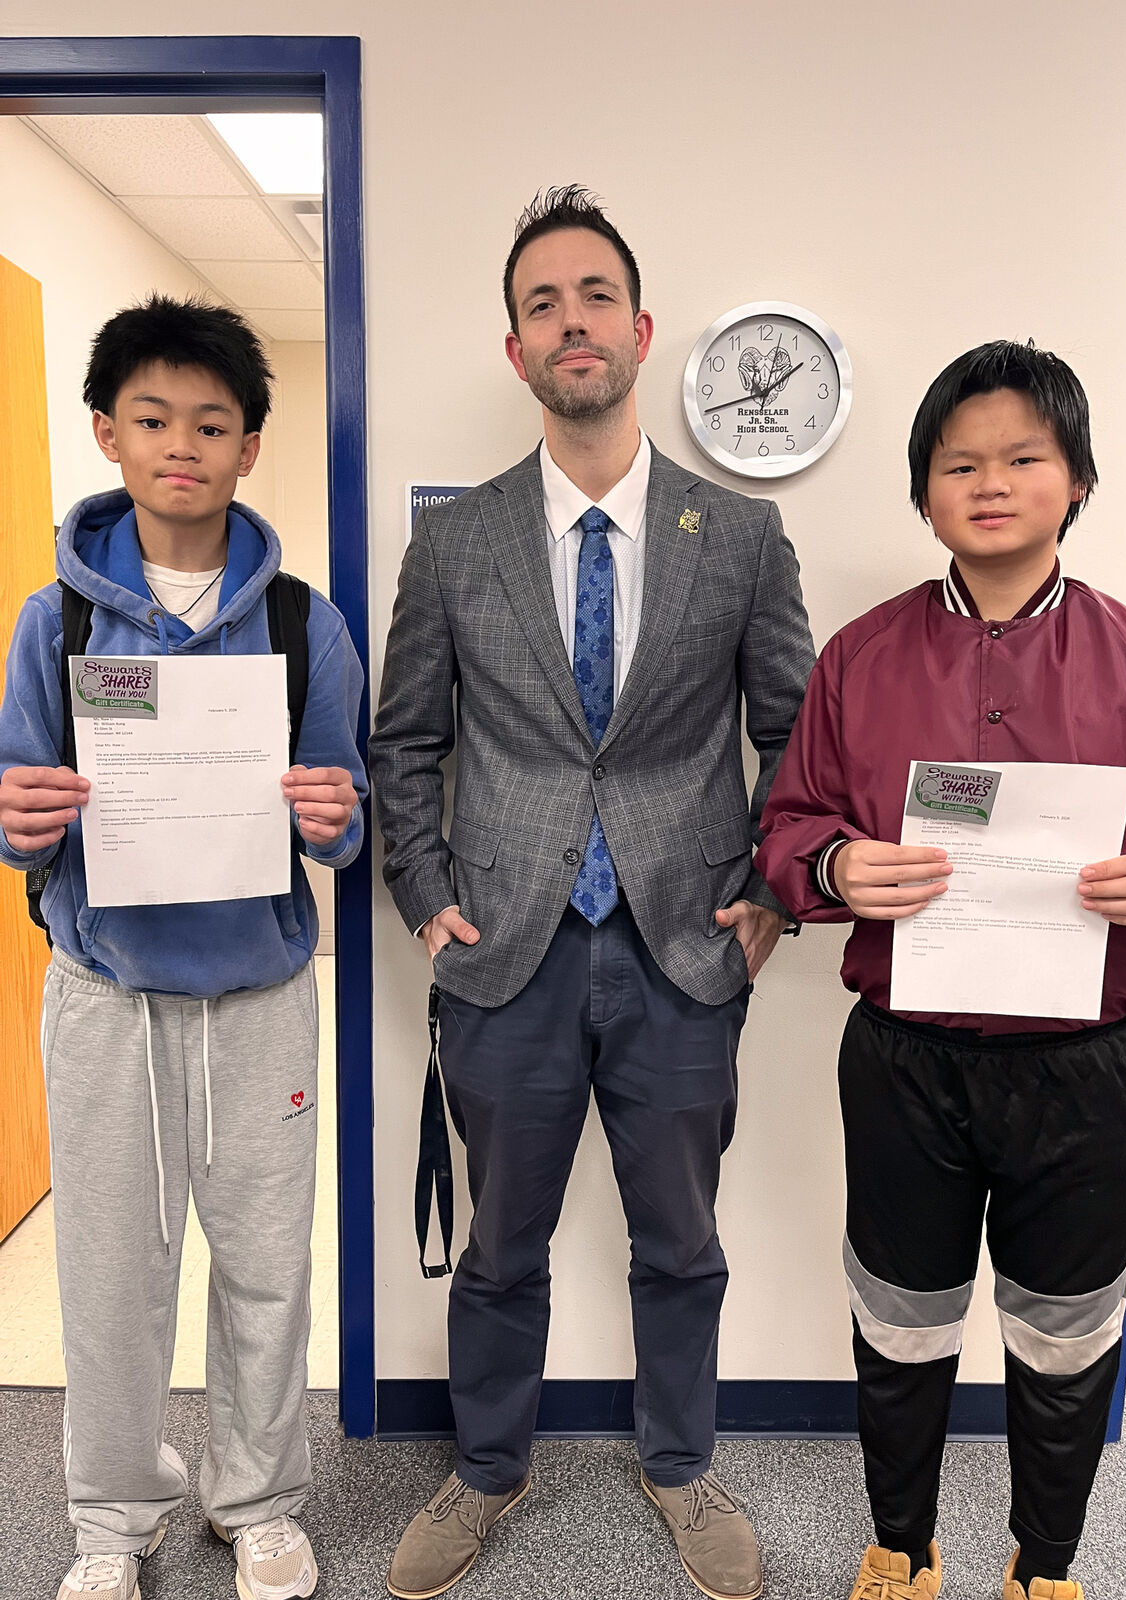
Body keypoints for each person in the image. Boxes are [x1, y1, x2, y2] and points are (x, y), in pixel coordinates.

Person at [370, 186, 813, 1600]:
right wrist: (426, 890)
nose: (573, 321)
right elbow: (406, 739)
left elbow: (797, 731)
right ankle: (488, 1468)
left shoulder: (738, 539)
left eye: (594, 296)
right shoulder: (454, 543)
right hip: (505, 950)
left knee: (681, 1239)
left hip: (687, 950)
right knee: (501, 1243)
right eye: (543, 304)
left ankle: (679, 1466)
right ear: (517, 349)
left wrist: (769, 896)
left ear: (640, 326)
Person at [756, 340, 1126, 1600]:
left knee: (1065, 1338)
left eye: (1024, 457)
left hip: (1090, 1068)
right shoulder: (859, 658)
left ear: (1078, 481)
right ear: (923, 491)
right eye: (960, 462)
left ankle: (1044, 1567)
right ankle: (901, 1546)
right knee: (901, 1323)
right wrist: (837, 869)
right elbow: (786, 828)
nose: (990, 481)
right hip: (909, 1060)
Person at [0, 294, 366, 1600]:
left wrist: (336, 811)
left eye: (212, 424)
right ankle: (112, 1520)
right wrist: (20, 813)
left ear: (250, 448)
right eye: (152, 418)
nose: (182, 445)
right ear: (107, 433)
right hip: (105, 995)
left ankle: (258, 1501)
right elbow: (17, 810)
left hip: (262, 995)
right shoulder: (57, 625)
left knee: (268, 1270)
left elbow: (345, 815)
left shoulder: (300, 623)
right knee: (110, 1278)